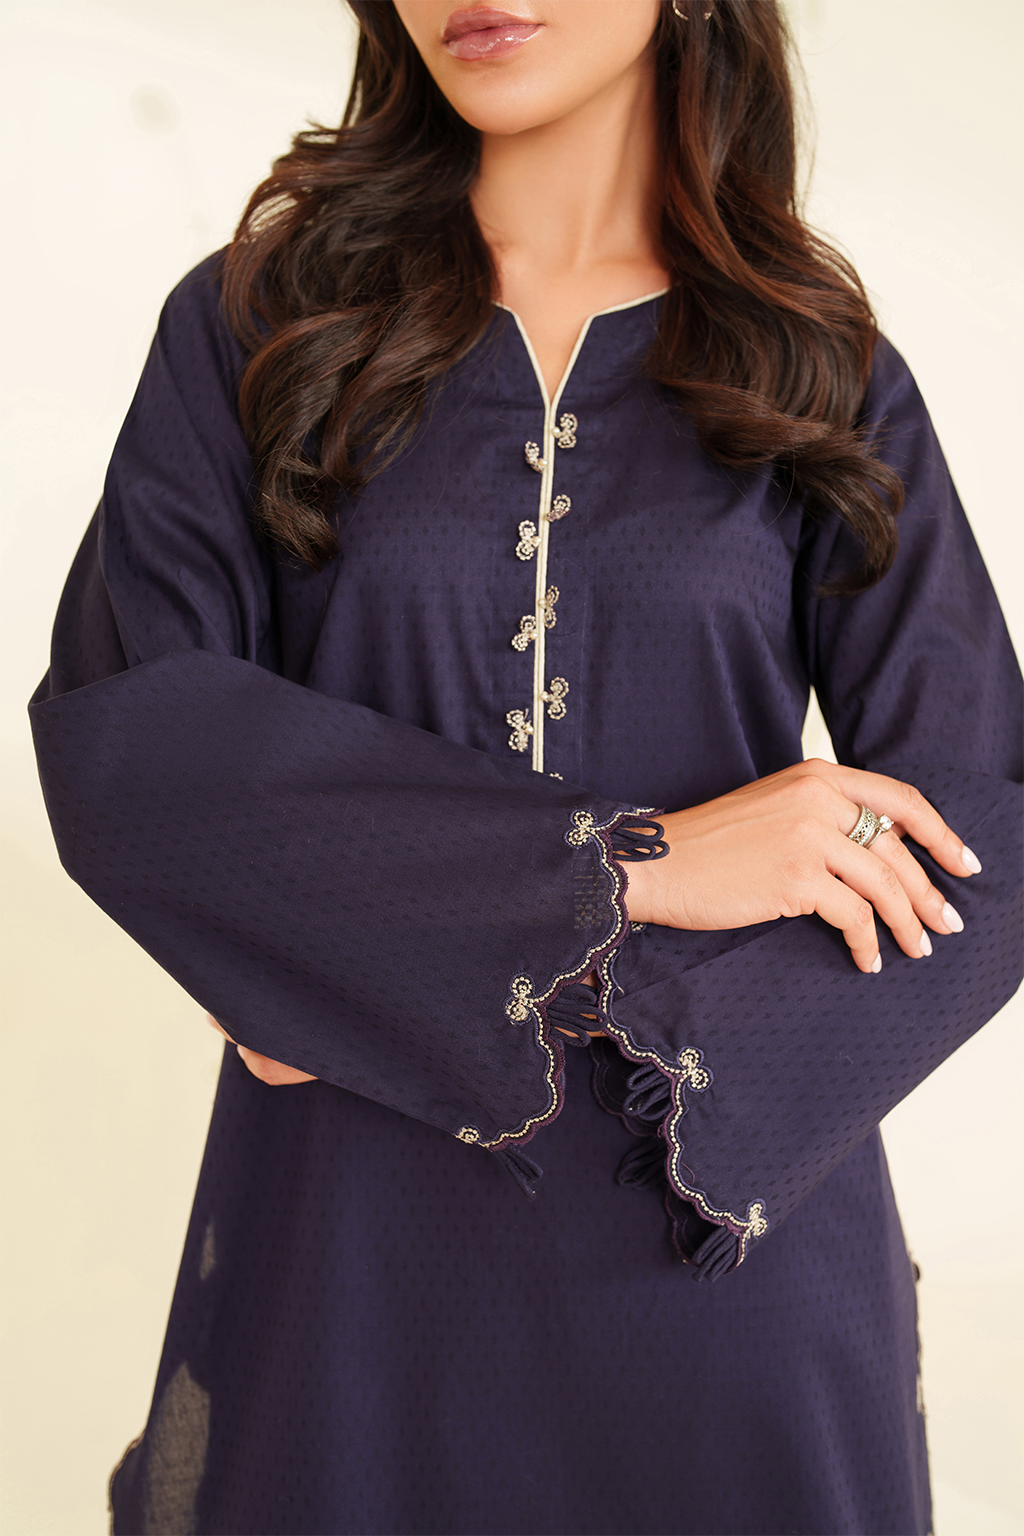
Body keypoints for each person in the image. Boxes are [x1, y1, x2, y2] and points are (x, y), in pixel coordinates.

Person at [29, 1, 1021, 1533]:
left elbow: (985, 830)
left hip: (725, 1256)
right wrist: (637, 867)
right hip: (355, 1257)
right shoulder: (260, 328)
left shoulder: (815, 366)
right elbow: (132, 740)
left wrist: (366, 952)